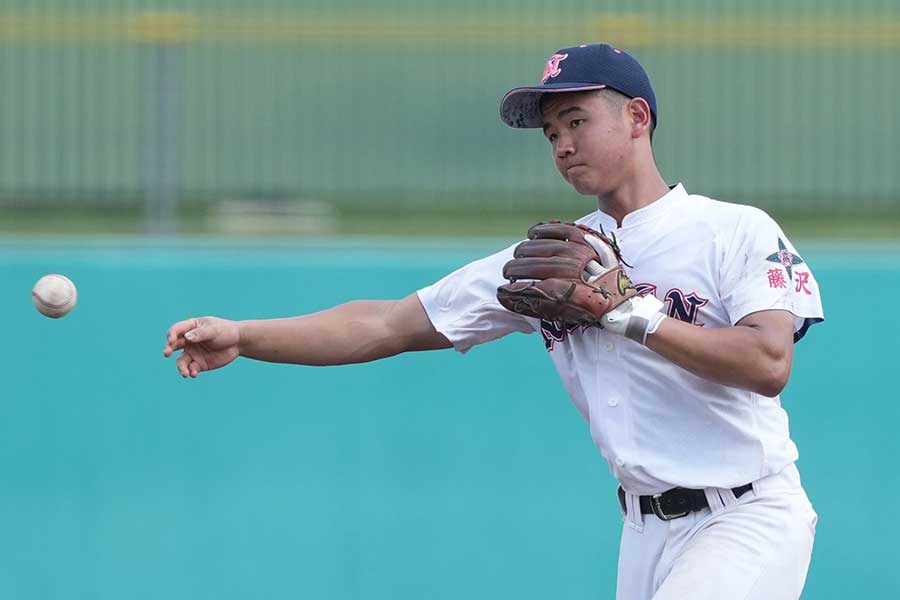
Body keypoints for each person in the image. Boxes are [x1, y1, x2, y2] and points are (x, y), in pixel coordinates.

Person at [163, 43, 823, 599]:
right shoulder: (550, 262)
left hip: (746, 513)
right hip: (644, 534)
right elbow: (385, 325)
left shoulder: (731, 231)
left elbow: (768, 364)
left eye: (575, 120)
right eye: (551, 134)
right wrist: (246, 336)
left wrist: (629, 314)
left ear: (637, 117)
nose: (562, 145)